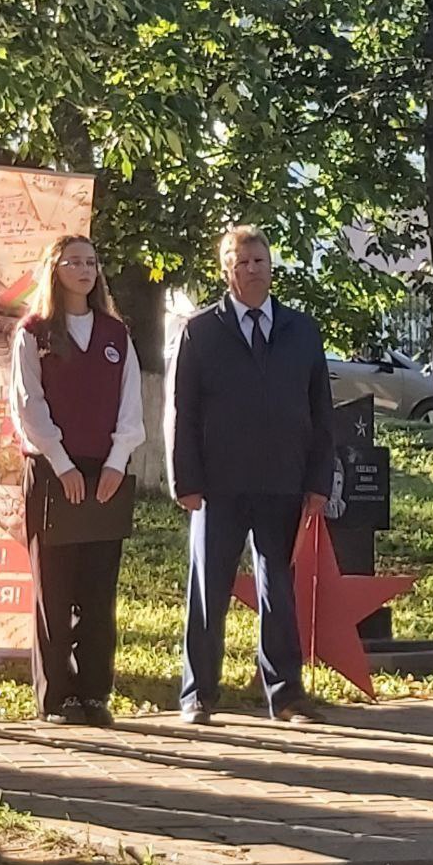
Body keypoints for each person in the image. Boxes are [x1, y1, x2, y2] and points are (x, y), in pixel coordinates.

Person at [165, 224, 334, 725]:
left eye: (260, 261)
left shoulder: (301, 330)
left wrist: (318, 481)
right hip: (218, 483)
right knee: (208, 588)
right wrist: (185, 480)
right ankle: (199, 694)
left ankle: (286, 696)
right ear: (227, 271)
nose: (254, 269)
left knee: (278, 589)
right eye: (243, 262)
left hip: (283, 478)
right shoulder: (200, 330)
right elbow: (182, 410)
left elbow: (321, 410)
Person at [10, 235, 144, 726]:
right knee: (55, 588)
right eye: (74, 262)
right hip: (54, 472)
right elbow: (28, 405)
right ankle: (58, 697)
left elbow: (131, 403)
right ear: (55, 270)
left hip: (105, 473)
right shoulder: (35, 332)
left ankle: (94, 693)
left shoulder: (115, 334)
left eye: (91, 261)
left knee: (98, 590)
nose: (85, 270)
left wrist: (116, 462)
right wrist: (62, 464)